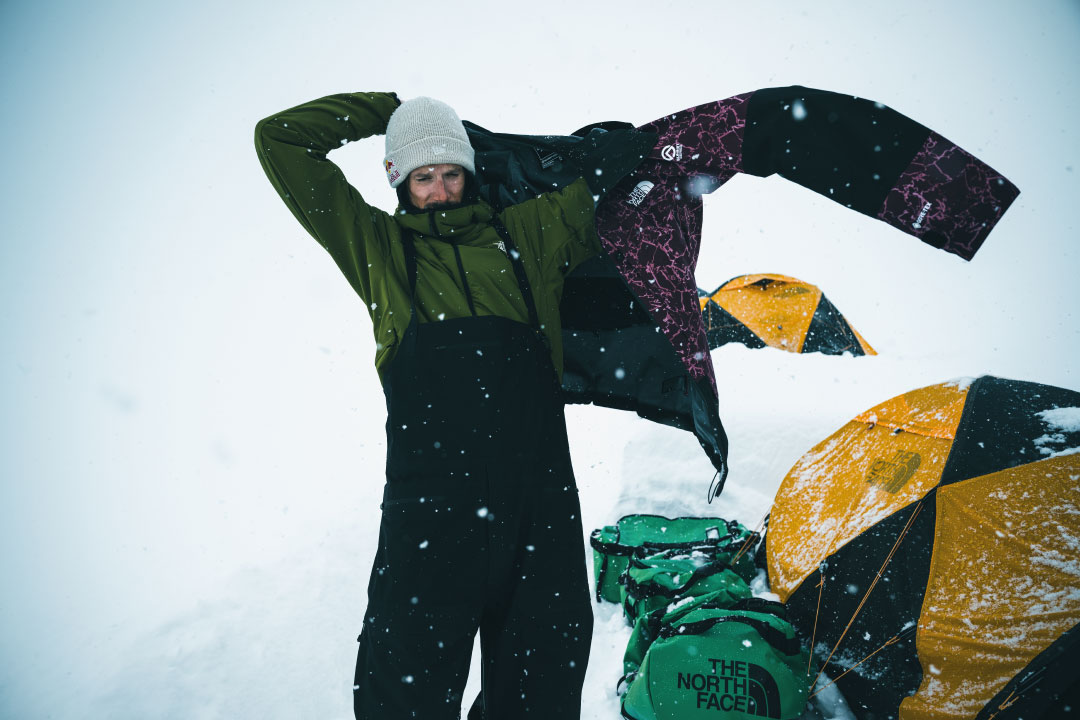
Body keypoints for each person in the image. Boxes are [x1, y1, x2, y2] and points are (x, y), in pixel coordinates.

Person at [255, 93, 599, 719]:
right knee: (405, 696)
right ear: (401, 183)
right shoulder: (382, 252)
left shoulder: (524, 237)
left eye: (449, 172)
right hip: (433, 521)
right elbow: (279, 140)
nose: (439, 189)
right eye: (422, 176)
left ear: (468, 173)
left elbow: (609, 183)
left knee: (543, 689)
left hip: (537, 514)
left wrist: (633, 150)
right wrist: (382, 111)